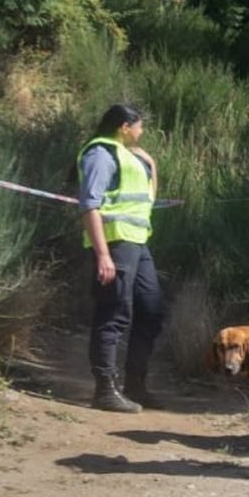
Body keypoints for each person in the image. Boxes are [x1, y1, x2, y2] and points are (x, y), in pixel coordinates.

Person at [77, 103, 166, 413]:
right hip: (115, 243)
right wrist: (102, 254)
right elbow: (89, 205)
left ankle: (135, 384)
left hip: (138, 242)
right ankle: (104, 389)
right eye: (138, 126)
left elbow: (149, 198)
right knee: (114, 313)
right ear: (124, 127)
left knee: (151, 310)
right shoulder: (100, 154)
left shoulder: (130, 156)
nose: (141, 132)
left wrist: (150, 163)